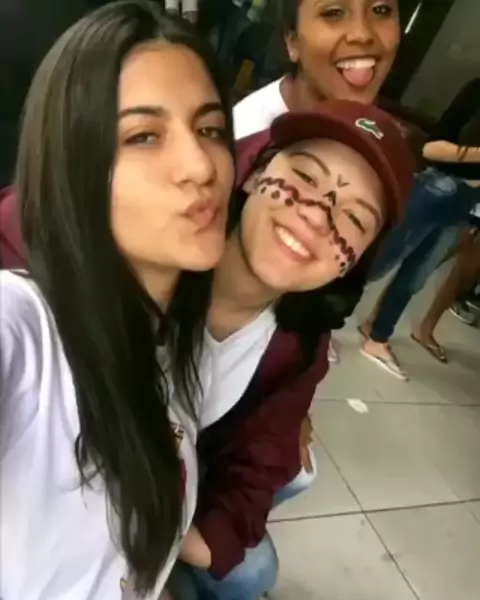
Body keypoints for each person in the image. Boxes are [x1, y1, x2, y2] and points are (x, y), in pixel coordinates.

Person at [0, 2, 235, 599]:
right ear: (74, 165)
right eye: (143, 136)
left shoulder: (177, 348)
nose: (200, 165)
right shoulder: (25, 331)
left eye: (210, 129)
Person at [169, 101, 414, 599]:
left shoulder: (301, 348)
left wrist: (171, 539)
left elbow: (257, 469)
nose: (320, 216)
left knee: (251, 572)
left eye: (355, 218)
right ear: (254, 173)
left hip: (168, 495)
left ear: (353, 264)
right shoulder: (159, 245)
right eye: (305, 176)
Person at [360, 116, 480, 376]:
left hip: (466, 202)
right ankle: (313, 322)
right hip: (437, 187)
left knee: (415, 277)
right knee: (379, 262)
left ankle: (378, 337)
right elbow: (430, 148)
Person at [233, 0, 401, 140]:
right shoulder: (245, 144)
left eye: (381, 10)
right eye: (334, 13)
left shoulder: (393, 139)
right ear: (292, 41)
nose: (362, 35)